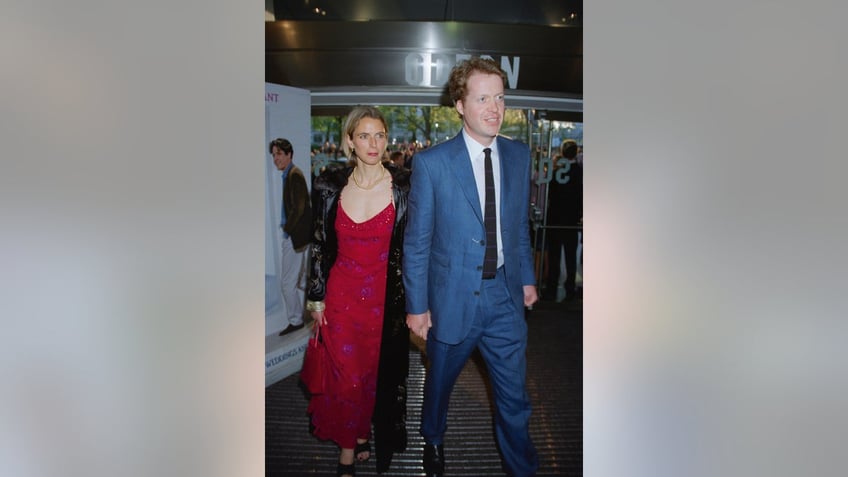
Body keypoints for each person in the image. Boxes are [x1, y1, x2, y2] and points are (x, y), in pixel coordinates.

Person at [403, 58, 540, 477]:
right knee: (440, 385)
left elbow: (517, 226)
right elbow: (418, 242)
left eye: (499, 97)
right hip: (450, 300)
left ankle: (522, 469)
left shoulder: (518, 156)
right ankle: (434, 437)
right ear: (460, 104)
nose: (494, 108)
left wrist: (528, 279)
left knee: (515, 397)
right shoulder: (433, 163)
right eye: (482, 98)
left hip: (503, 295)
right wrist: (418, 306)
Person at [305, 106, 411, 477]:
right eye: (364, 135)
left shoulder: (404, 186)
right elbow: (318, 243)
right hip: (342, 299)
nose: (373, 143)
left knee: (373, 377)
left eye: (379, 135)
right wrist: (316, 296)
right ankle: (347, 453)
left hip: (385, 304)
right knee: (348, 377)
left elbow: (417, 246)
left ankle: (362, 433)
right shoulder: (329, 184)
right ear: (349, 140)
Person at [271, 138, 312, 336]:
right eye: (273, 154)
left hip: (294, 237)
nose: (275, 158)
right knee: (299, 280)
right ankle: (319, 303)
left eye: (279, 153)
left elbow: (300, 207)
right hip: (296, 237)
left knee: (287, 284)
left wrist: (287, 229)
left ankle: (295, 320)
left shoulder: (294, 175)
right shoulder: (290, 175)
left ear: (289, 154)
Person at [544, 139, 583, 301]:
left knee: (554, 255)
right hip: (571, 219)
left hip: (554, 218)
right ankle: (570, 286)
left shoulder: (556, 171)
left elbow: (550, 194)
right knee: (570, 255)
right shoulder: (579, 172)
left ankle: (551, 286)